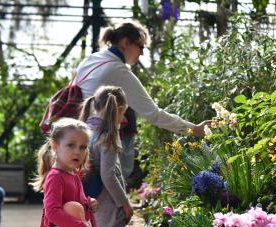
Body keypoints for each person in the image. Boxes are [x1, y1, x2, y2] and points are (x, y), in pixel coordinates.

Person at [73, 20, 210, 179]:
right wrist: (194, 129)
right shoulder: (118, 70)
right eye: (141, 46)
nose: (142, 53)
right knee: (110, 186)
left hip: (76, 136)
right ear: (125, 43)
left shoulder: (92, 59)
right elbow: (154, 115)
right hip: (98, 141)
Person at [31, 118, 102, 227]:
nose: (78, 151)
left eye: (83, 147)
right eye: (71, 145)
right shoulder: (55, 176)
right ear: (55, 145)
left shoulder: (73, 174)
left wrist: (89, 202)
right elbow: (52, 211)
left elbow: (77, 200)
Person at [79, 86, 133, 227]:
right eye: (123, 113)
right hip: (107, 212)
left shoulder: (84, 130)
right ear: (117, 109)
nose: (123, 119)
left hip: (84, 210)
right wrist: (124, 203)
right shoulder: (107, 135)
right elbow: (109, 174)